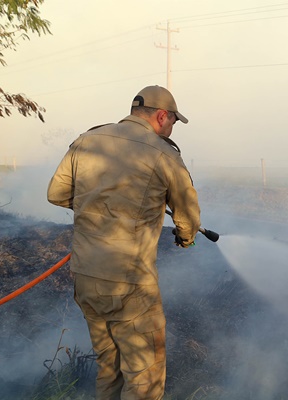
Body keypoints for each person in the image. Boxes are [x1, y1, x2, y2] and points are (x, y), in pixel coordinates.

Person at [47, 85, 201, 400]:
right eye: (172, 122)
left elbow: (57, 194)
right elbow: (188, 219)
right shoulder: (163, 153)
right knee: (144, 379)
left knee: (110, 367)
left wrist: (98, 212)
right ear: (161, 116)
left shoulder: (87, 140)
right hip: (129, 285)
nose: (171, 128)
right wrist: (186, 239)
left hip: (87, 279)